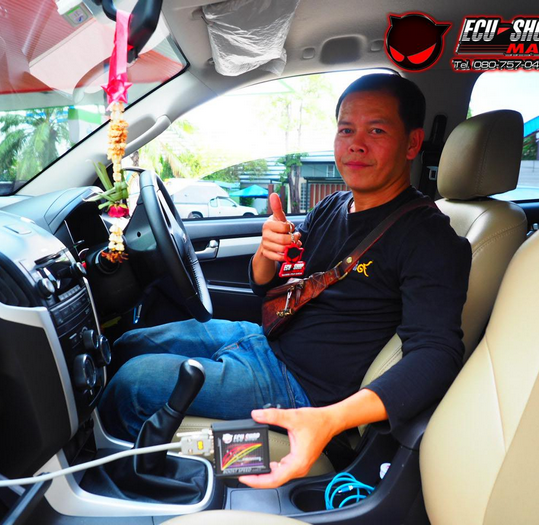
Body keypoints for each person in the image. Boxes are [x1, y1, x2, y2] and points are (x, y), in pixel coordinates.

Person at [98, 73, 471, 489]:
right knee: (126, 345)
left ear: (412, 143)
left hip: (301, 389)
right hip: (263, 340)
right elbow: (267, 287)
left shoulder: (429, 238)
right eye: (346, 129)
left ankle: (129, 485)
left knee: (133, 384)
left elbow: (437, 353)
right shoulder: (332, 206)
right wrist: (266, 253)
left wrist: (331, 419)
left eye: (377, 130)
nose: (356, 144)